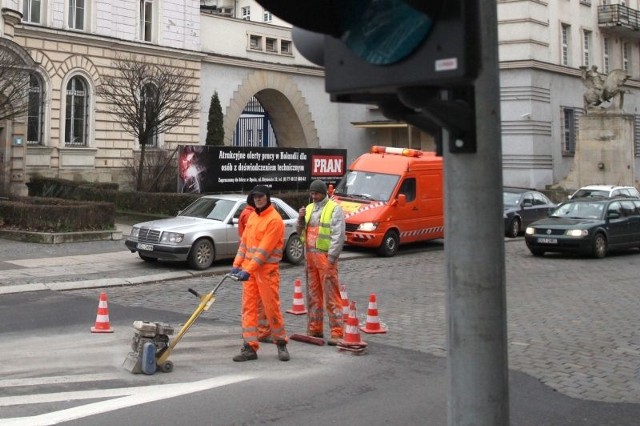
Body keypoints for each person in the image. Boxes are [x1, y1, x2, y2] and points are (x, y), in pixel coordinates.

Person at [231, 185, 289, 362]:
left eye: (261, 196)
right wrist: (236, 264)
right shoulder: (253, 218)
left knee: (271, 308)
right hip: (249, 272)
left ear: (267, 197)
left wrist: (247, 270)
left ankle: (281, 342)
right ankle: (249, 347)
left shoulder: (274, 220)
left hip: (267, 272)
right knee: (248, 308)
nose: (258, 199)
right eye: (255, 197)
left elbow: (263, 251)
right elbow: (244, 244)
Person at [297, 179, 346, 346]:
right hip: (310, 259)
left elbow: (338, 235)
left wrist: (332, 258)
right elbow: (301, 231)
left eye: (316, 193)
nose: (313, 196)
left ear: (324, 192)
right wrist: (300, 218)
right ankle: (314, 328)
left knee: (332, 296)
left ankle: (337, 332)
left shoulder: (334, 209)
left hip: (325, 260)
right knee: (313, 296)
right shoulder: (309, 208)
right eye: (311, 193)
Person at [237, 196, 272, 344]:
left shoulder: (250, 214)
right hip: (255, 267)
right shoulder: (250, 215)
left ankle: (253, 333)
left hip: (250, 265)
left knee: (252, 304)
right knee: (258, 303)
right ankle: (260, 332)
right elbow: (255, 246)